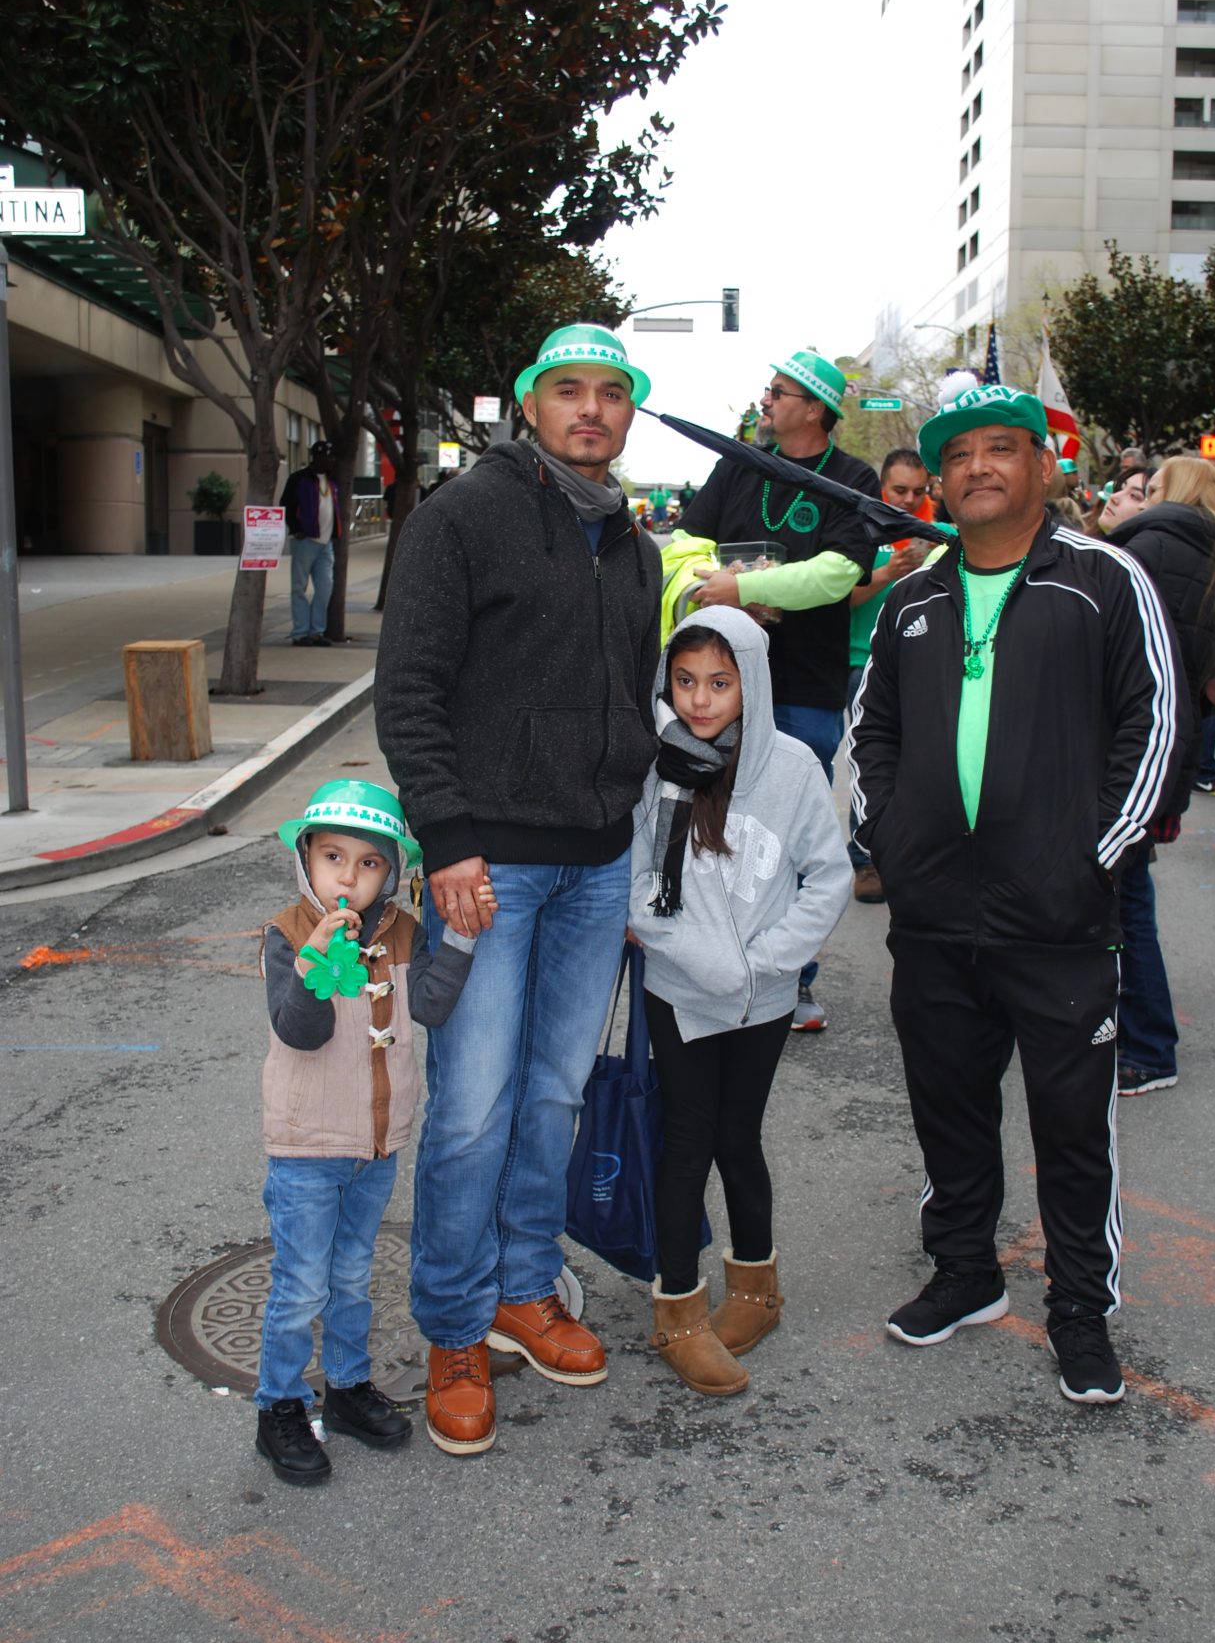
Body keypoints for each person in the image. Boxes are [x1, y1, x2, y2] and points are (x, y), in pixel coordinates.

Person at [848, 382, 1183, 1406]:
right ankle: (965, 1274)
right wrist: (893, 845)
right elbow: (874, 737)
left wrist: (1093, 858)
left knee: (1071, 1127)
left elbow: (1153, 724)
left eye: (1003, 449)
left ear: (1044, 467)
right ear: (941, 480)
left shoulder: (1102, 579)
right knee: (947, 1111)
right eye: (959, 456)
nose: (978, 468)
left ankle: (1079, 1310)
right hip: (936, 918)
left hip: (1059, 919)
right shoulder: (911, 598)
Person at [374, 322, 661, 1457]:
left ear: (628, 413)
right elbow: (409, 694)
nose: (590, 409)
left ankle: (522, 1289)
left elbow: (626, 698)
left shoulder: (630, 544)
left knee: (552, 1097)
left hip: (595, 865)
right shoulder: (461, 519)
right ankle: (451, 1326)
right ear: (530, 406)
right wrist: (447, 842)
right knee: (474, 1108)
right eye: (568, 391)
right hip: (488, 870)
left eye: (610, 394)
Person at [629, 609, 850, 1396]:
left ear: (749, 683)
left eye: (719, 684)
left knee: (739, 1139)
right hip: (681, 994)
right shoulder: (654, 766)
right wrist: (710, 966)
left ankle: (755, 1292)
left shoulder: (791, 767)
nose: (699, 700)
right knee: (686, 1141)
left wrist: (762, 966)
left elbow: (828, 877)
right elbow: (640, 890)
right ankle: (676, 1309)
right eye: (684, 682)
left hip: (762, 997)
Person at [254, 779, 475, 1485]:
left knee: (351, 1277)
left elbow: (433, 1006)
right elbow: (301, 1030)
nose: (347, 877)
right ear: (306, 861)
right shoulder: (286, 935)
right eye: (332, 858)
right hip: (306, 1147)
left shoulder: (402, 935)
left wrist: (464, 935)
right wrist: (319, 961)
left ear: (393, 872)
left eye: (368, 863)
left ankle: (347, 1388)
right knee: (299, 1287)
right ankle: (280, 1406)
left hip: (375, 1145)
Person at [661, 350, 879, 1032]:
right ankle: (707, 968)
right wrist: (706, 579)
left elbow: (839, 572)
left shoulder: (851, 478)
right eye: (767, 391)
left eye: (777, 393)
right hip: (718, 686)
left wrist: (743, 587)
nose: (766, 401)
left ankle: (793, 981)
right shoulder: (737, 466)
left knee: (790, 841)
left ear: (814, 408)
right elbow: (680, 545)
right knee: (705, 828)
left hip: (802, 689)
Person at [1107, 458, 1215, 1092]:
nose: (1131, 497)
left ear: (1167, 495)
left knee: (1123, 896)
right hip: (1166, 744)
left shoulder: (1151, 545)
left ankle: (1146, 1047)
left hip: (1130, 747)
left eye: (1145, 489)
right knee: (1125, 890)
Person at [846, 449, 938, 905]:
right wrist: (887, 573)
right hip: (860, 663)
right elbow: (842, 599)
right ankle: (865, 859)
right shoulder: (859, 524)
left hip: (923, 661)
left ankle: (913, 854)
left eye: (918, 492)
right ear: (882, 485)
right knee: (872, 759)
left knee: (919, 760)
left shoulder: (938, 530)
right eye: (899, 490)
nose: (908, 500)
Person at [281, 439, 341, 646]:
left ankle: (316, 631)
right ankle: (300, 632)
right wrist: (296, 529)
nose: (331, 461)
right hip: (305, 541)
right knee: (299, 587)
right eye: (328, 456)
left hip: (326, 543)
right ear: (317, 457)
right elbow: (286, 505)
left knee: (325, 587)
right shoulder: (299, 479)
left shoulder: (332, 481)